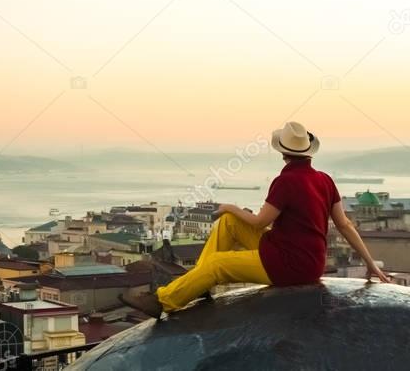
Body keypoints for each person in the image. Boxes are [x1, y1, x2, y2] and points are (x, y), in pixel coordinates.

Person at [121, 121, 390, 318]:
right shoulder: (324, 180)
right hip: (306, 259)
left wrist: (230, 206)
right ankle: (197, 285)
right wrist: (370, 264)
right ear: (308, 151)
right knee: (228, 223)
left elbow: (260, 222)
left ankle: (163, 301)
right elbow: (345, 224)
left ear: (282, 152)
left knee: (217, 262)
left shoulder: (285, 181)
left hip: (289, 264)